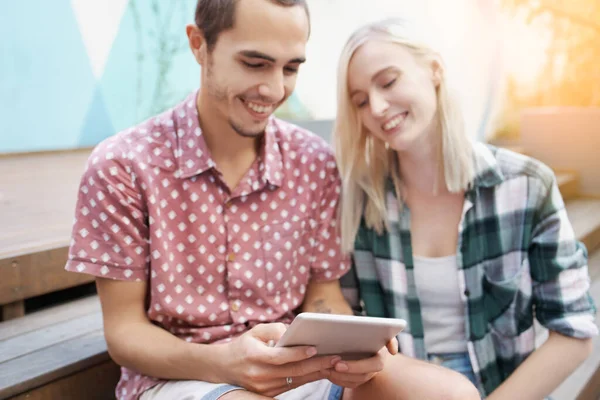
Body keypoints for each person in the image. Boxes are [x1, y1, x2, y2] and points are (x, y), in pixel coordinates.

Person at [64, 1, 481, 400]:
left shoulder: (314, 163)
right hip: (182, 378)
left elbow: (324, 296)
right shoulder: (122, 167)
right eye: (254, 63)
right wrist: (223, 362)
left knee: (453, 394)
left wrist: (350, 347)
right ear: (198, 44)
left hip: (302, 368)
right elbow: (124, 334)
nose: (274, 88)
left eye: (291, 67)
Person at [334, 18, 598, 399]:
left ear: (434, 70)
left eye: (388, 82)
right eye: (359, 100)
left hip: (503, 388)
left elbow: (574, 332)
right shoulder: (360, 201)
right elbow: (347, 325)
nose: (375, 106)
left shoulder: (526, 185)